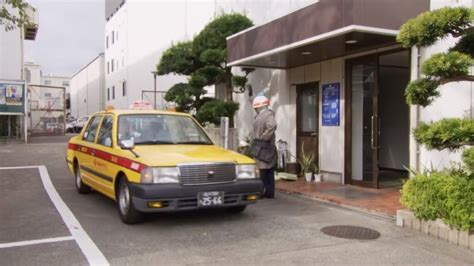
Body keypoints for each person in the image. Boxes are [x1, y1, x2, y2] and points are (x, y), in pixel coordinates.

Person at [252, 92, 277, 199]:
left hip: (263, 145)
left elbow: (272, 125)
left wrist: (264, 136)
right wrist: (265, 137)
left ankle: (263, 192)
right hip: (265, 146)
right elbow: (272, 126)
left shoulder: (264, 115)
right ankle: (268, 192)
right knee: (268, 170)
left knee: (264, 170)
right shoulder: (265, 114)